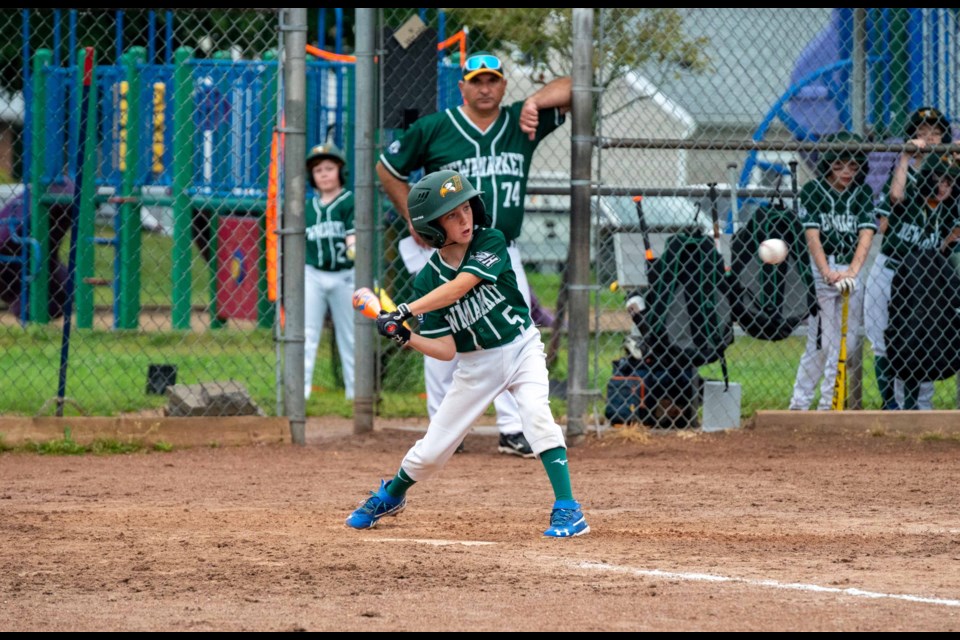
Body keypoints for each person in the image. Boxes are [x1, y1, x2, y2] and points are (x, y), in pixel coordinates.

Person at [345, 169, 589, 537]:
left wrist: (406, 310)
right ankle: (392, 494)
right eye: (452, 215)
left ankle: (568, 508)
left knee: (537, 415)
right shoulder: (427, 280)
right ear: (432, 229)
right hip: (476, 365)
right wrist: (405, 335)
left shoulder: (490, 241)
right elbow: (444, 350)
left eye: (467, 209)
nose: (465, 220)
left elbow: (461, 286)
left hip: (521, 347)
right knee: (432, 450)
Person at [376, 50, 572, 458]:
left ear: (503, 85)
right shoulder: (435, 127)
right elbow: (387, 168)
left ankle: (513, 429)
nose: (485, 88)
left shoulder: (521, 121)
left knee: (507, 330)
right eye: (476, 80)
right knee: (442, 329)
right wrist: (411, 215)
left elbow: (578, 89)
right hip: (443, 249)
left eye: (493, 80)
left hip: (499, 247)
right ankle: (446, 429)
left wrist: (534, 101)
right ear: (462, 86)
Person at [865, 151, 960, 410]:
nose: (943, 187)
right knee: (882, 342)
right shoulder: (909, 200)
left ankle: (914, 406)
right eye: (938, 180)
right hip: (889, 271)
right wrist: (905, 158)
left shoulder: (946, 211)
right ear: (926, 179)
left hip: (921, 283)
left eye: (949, 183)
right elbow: (895, 195)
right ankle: (890, 405)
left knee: (920, 340)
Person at [789, 132, 877, 410]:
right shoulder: (814, 190)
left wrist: (852, 271)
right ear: (828, 165)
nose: (847, 172)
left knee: (847, 344)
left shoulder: (862, 193)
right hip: (822, 270)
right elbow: (812, 236)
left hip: (851, 271)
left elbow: (866, 234)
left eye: (852, 166)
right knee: (823, 343)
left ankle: (829, 404)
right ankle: (801, 404)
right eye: (839, 166)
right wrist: (826, 271)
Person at [303, 143, 356, 401]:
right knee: (307, 333)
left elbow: (353, 236)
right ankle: (301, 392)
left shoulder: (349, 201)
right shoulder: (307, 207)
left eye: (329, 168)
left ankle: (355, 394)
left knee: (349, 334)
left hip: (344, 274)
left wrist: (353, 247)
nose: (323, 174)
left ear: (340, 171)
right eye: (318, 170)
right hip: (313, 274)